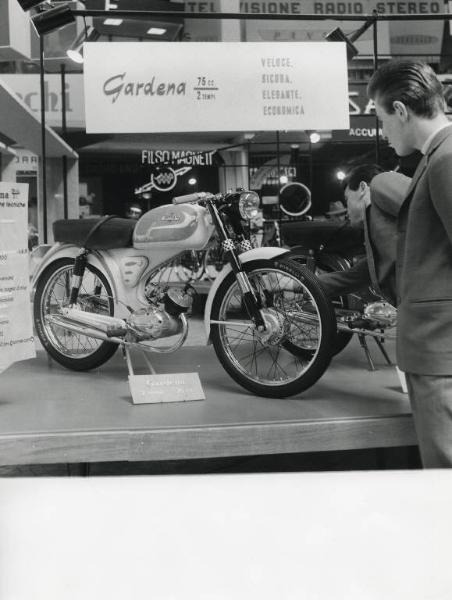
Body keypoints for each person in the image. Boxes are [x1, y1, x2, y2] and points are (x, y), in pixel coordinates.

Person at [365, 59, 452, 468]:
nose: (383, 133)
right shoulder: (437, 158)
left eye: (382, 120)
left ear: (401, 111)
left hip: (442, 354)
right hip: (434, 353)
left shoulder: (446, 159)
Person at [318, 163, 411, 308]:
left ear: (362, 188)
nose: (347, 209)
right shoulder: (379, 225)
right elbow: (354, 277)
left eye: (347, 199)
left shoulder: (382, 184)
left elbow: (423, 210)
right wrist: (301, 282)